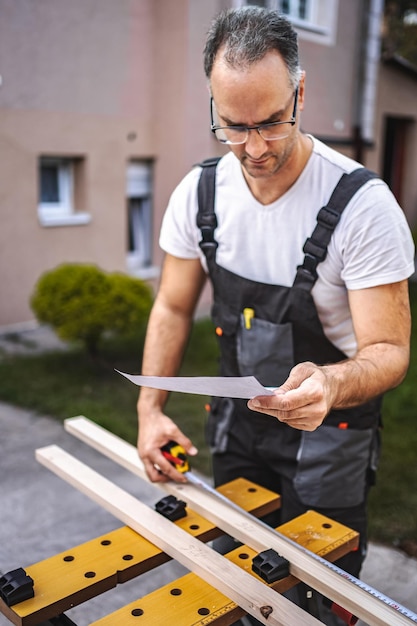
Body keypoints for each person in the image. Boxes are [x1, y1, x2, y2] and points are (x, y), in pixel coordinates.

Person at [137, 6, 414, 624]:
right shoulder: (200, 192)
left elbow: (391, 351)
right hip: (239, 431)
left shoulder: (362, 207)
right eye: (233, 127)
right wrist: (150, 410)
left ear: (300, 90)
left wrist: (333, 381)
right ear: (212, 103)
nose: (254, 148)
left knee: (321, 598)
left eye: (271, 122)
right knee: (236, 583)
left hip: (332, 438)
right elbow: (173, 305)